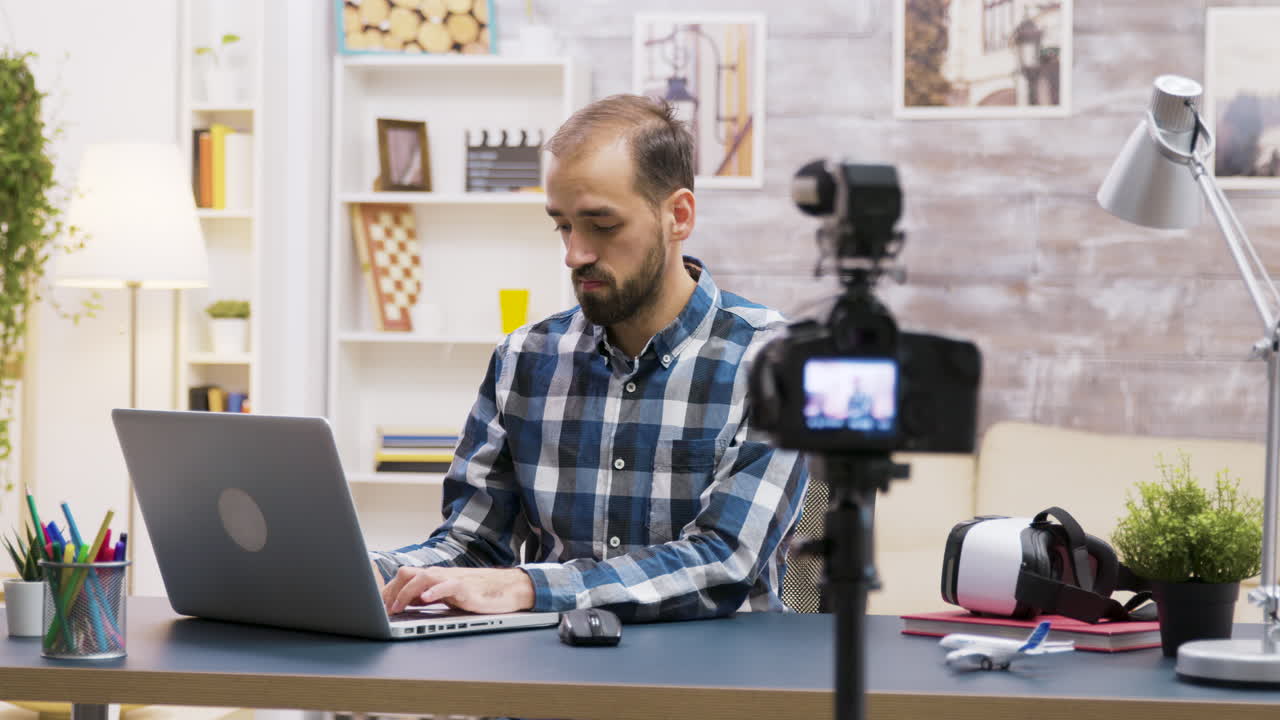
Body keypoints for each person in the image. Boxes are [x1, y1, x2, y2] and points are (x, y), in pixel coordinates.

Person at [371, 94, 809, 623]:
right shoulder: (523, 358)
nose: (574, 254)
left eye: (602, 226)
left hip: (711, 687)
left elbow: (725, 563)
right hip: (553, 679)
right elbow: (473, 546)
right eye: (562, 224)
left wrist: (531, 588)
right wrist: (378, 572)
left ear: (679, 215)